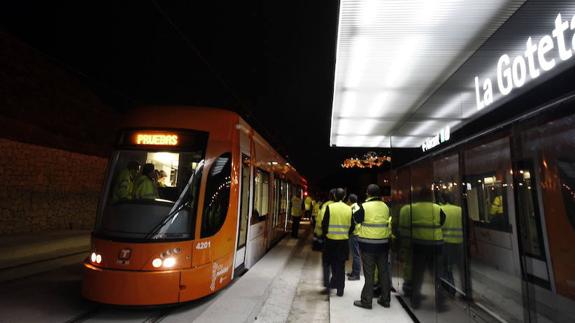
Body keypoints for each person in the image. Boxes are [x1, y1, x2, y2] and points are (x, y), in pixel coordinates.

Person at [405, 186, 446, 310]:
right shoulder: (437, 208)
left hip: (419, 245)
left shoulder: (413, 209)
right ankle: (440, 303)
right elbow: (442, 221)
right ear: (430, 196)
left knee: (417, 275)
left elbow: (408, 224)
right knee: (438, 276)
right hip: (436, 245)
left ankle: (415, 302)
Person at [352, 184, 392, 309]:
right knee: (384, 272)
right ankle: (385, 300)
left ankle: (366, 301)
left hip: (368, 245)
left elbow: (357, 220)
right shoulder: (386, 206)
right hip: (383, 244)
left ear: (368, 193)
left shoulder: (364, 206)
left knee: (369, 274)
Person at [321, 188, 353, 297]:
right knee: (341, 265)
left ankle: (328, 286)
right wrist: (346, 234)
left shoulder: (330, 207)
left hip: (330, 241)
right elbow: (352, 226)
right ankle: (340, 290)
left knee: (328, 263)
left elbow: (324, 224)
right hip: (343, 242)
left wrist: (326, 235)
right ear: (344, 197)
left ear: (334, 196)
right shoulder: (349, 209)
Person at [440, 191, 464, 296]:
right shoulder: (460, 210)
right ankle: (465, 290)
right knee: (461, 268)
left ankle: (451, 288)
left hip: (446, 243)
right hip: (460, 243)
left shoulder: (441, 210)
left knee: (446, 267)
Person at [316, 190, 335, 288]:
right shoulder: (345, 207)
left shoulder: (325, 206)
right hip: (341, 239)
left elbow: (320, 223)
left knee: (326, 262)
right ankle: (335, 283)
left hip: (327, 239)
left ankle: (326, 284)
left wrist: (319, 235)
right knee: (337, 263)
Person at [346, 194, 362, 281]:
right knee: (355, 254)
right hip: (358, 233)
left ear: (349, 200)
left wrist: (349, 233)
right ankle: (354, 272)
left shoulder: (351, 208)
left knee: (356, 255)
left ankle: (356, 274)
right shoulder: (357, 207)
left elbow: (352, 223)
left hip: (354, 234)